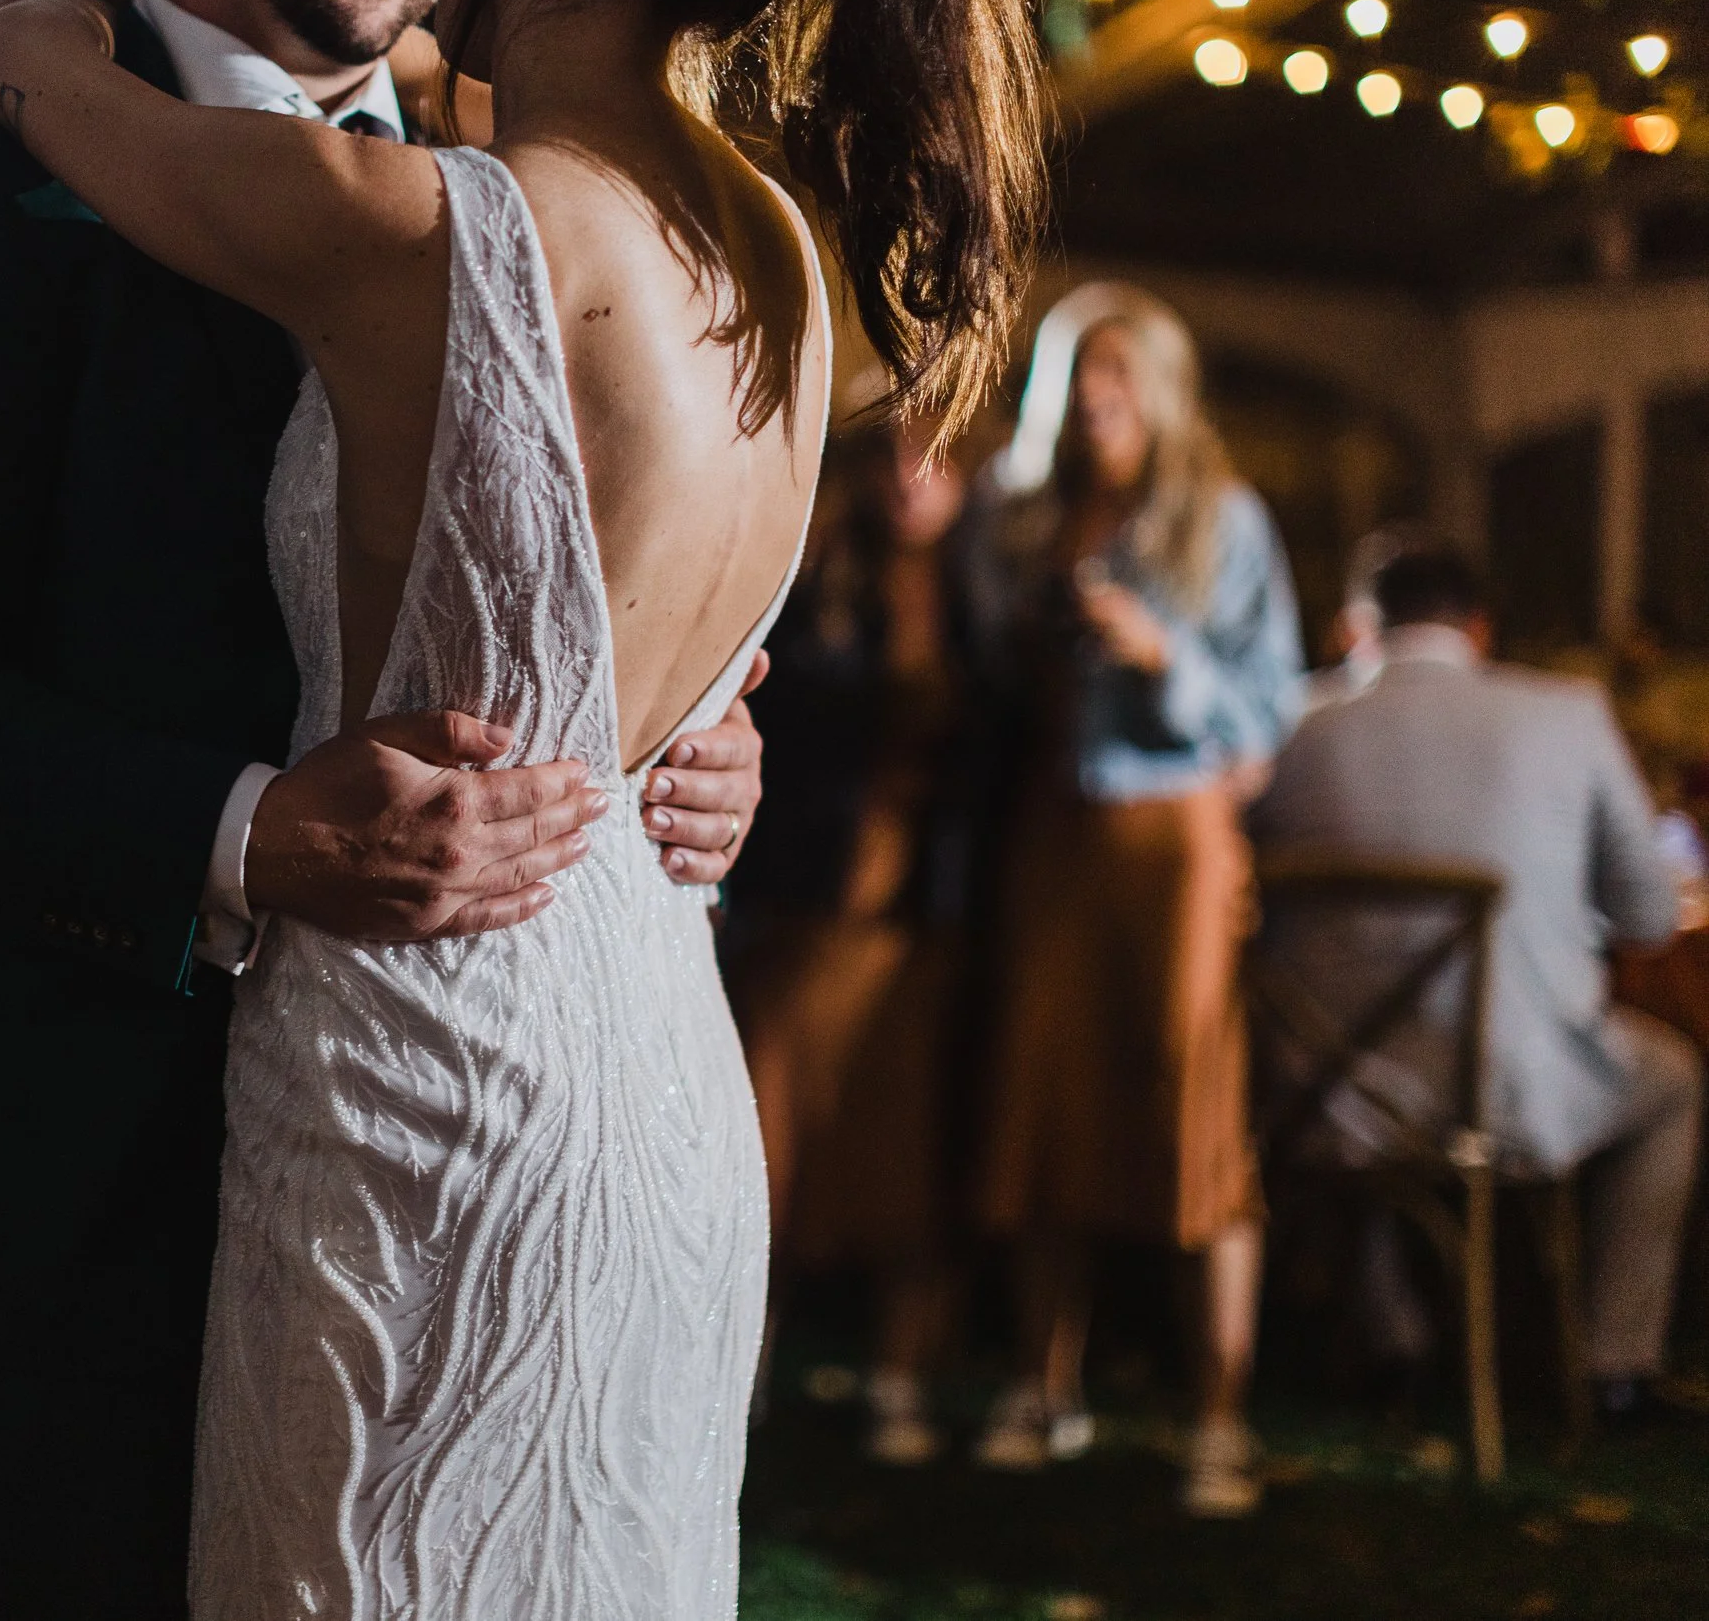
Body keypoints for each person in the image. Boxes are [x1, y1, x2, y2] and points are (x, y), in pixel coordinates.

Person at [0, 0, 1039, 1606]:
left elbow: (36, 70)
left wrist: (35, 12)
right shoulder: (784, 256)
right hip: (667, 1085)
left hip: (426, 1091)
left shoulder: (418, 227)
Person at [0, 0, 833, 1610]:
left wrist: (681, 734)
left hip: (471, 1191)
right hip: (80, 1200)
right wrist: (241, 833)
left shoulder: (515, 203)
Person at [962, 283, 1303, 1518]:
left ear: (1159, 388)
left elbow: (1270, 708)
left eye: (1117, 372)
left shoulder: (1226, 518)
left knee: (1191, 1105)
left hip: (1174, 842)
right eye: (1078, 373)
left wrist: (1163, 656)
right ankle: (1041, 1387)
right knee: (1041, 1104)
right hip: (1049, 829)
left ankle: (1217, 1415)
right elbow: (988, 678)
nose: (1095, 395)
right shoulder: (1021, 516)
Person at [1251, 540, 1704, 1428]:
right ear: (1481, 628)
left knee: (1353, 1073)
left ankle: (1391, 1338)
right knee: (1675, 1081)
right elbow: (1652, 917)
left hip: (1318, 1098)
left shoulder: (1284, 724)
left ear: (1355, 629)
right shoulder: (1566, 715)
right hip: (1513, 1095)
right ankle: (1614, 1361)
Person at [725, 418, 976, 1462]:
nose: (911, 478)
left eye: (937, 456)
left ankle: (898, 1379)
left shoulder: (984, 590)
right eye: (892, 454)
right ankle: (737, 1371)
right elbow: (786, 716)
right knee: (766, 1148)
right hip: (804, 905)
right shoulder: (812, 570)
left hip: (920, 918)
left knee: (910, 1153)